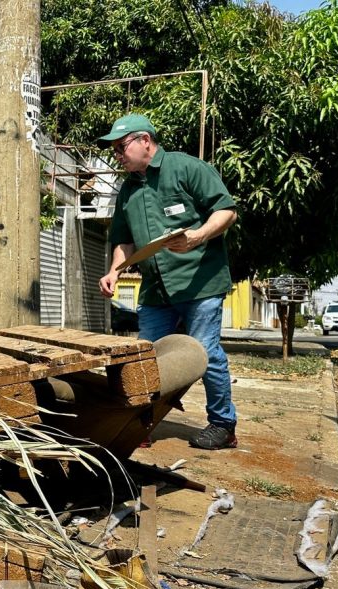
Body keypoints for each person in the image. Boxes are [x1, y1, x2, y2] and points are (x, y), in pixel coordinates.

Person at [96, 114, 239, 450]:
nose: (116, 154)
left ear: (145, 140)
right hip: (156, 290)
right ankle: (141, 421)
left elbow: (227, 211)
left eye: (121, 146)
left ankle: (223, 424)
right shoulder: (128, 191)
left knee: (204, 353)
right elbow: (124, 240)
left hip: (199, 284)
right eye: (114, 149)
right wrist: (115, 270)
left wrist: (198, 236)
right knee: (146, 358)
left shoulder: (186, 168)